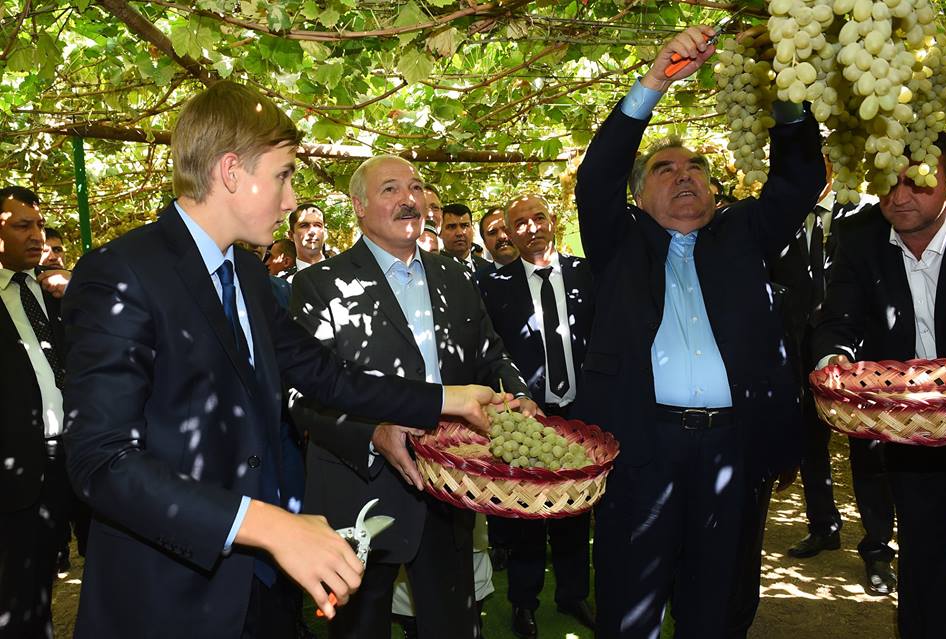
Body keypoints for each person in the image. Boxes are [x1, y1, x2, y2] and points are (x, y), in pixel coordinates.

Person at [60, 81, 508, 639]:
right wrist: (269, 526)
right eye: (284, 176)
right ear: (231, 171)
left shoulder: (247, 275)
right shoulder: (121, 273)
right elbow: (101, 462)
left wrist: (449, 398)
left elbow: (328, 377)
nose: (292, 200)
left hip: (263, 588)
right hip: (169, 594)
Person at [574, 26, 825, 638]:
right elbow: (596, 179)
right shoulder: (619, 243)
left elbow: (798, 182)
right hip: (640, 449)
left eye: (696, 168)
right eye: (664, 169)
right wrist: (653, 83)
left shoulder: (744, 234)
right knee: (630, 606)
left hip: (730, 452)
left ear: (713, 190)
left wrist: (786, 84)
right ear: (638, 196)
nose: (683, 175)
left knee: (715, 605)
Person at [288, 154, 535, 639]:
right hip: (359, 489)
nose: (409, 199)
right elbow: (301, 397)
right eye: (391, 189)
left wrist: (519, 393)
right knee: (359, 629)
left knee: (454, 623)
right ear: (358, 206)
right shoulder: (319, 284)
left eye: (417, 188)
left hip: (449, 482)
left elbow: (491, 354)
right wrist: (373, 434)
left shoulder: (455, 277)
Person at [812, 132, 946, 638]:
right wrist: (833, 359)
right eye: (887, 183)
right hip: (913, 428)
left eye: (916, 182)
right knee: (924, 554)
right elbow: (838, 320)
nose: (899, 197)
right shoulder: (860, 237)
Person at [774, 164, 896, 595]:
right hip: (801, 354)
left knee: (869, 450)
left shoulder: (867, 214)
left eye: (822, 158)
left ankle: (877, 548)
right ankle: (823, 526)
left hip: (859, 358)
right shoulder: (783, 216)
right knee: (811, 445)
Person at [479, 193, 595, 638]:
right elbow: (489, 351)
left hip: (581, 412)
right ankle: (523, 602)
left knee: (574, 509)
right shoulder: (493, 284)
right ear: (510, 231)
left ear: (553, 221)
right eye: (520, 222)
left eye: (539, 217)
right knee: (526, 514)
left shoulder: (587, 273)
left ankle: (573, 594)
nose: (531, 227)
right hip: (525, 417)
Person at [0, 186, 77, 638]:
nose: (37, 236)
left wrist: (74, 286)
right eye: (22, 226)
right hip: (21, 473)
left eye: (40, 225)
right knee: (25, 594)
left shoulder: (57, 291)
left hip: (81, 454)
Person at [440, 203, 491, 273]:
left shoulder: (489, 269)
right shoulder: (432, 268)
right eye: (452, 227)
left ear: (472, 229)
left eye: (465, 226)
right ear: (440, 232)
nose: (459, 233)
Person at [287, 201, 328, 275]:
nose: (312, 232)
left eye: (318, 225)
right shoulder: (283, 281)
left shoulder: (344, 272)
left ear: (325, 233)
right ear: (291, 235)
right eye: (304, 226)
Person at [477, 205, 518, 276]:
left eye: (507, 229)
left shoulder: (538, 269)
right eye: (492, 233)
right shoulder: (476, 281)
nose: (501, 237)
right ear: (485, 244)